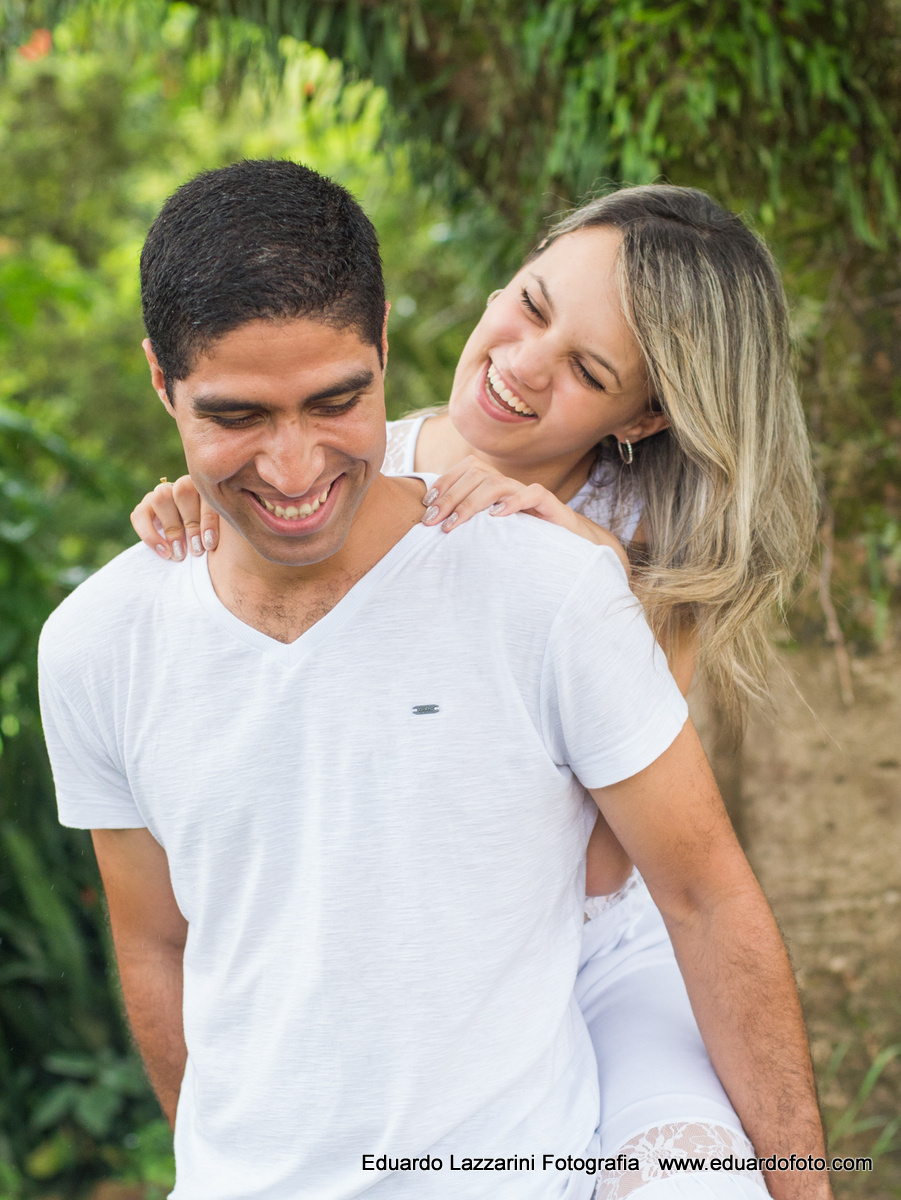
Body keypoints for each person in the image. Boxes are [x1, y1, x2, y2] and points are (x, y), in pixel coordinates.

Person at [39, 161, 830, 1200]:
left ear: (640, 417)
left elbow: (620, 874)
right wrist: (199, 498)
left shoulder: (607, 567)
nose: (524, 365)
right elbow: (280, 476)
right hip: (432, 971)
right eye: (530, 306)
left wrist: (588, 569)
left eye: (589, 370)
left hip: (600, 943)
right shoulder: (350, 454)